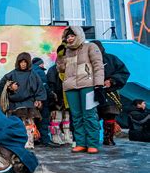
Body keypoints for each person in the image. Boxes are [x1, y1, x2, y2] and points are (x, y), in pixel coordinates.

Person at [60, 26, 104, 154]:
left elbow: (98, 66)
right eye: (67, 37)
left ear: (78, 35)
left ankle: (92, 143)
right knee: (77, 116)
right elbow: (61, 69)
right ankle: (80, 143)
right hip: (70, 87)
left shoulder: (90, 47)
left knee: (89, 115)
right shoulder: (66, 51)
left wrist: (99, 85)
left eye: (72, 36)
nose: (69, 39)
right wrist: (60, 56)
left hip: (88, 85)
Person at [0, 52, 47, 149]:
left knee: (29, 124)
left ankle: (29, 142)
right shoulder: (11, 74)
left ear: (28, 63)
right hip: (14, 104)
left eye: (25, 62)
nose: (23, 64)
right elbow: (2, 84)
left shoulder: (33, 74)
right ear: (18, 62)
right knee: (16, 124)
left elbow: (40, 88)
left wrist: (39, 99)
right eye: (21, 62)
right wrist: (9, 86)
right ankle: (17, 143)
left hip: (28, 103)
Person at [91, 40, 130, 146]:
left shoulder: (111, 59)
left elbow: (124, 72)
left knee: (110, 115)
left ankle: (108, 138)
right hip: (91, 92)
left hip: (109, 92)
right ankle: (91, 140)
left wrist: (112, 80)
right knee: (91, 117)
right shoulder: (87, 60)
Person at [47, 44, 73, 145]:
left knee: (66, 119)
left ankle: (67, 136)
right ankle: (55, 136)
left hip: (67, 97)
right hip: (57, 98)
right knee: (56, 119)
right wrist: (54, 96)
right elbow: (51, 84)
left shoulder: (70, 68)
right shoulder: (53, 70)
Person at [31, 57, 59, 147]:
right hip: (42, 100)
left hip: (31, 100)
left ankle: (35, 139)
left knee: (34, 121)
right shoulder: (40, 71)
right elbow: (44, 86)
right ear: (40, 64)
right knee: (44, 120)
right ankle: (45, 140)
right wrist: (52, 95)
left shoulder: (29, 71)